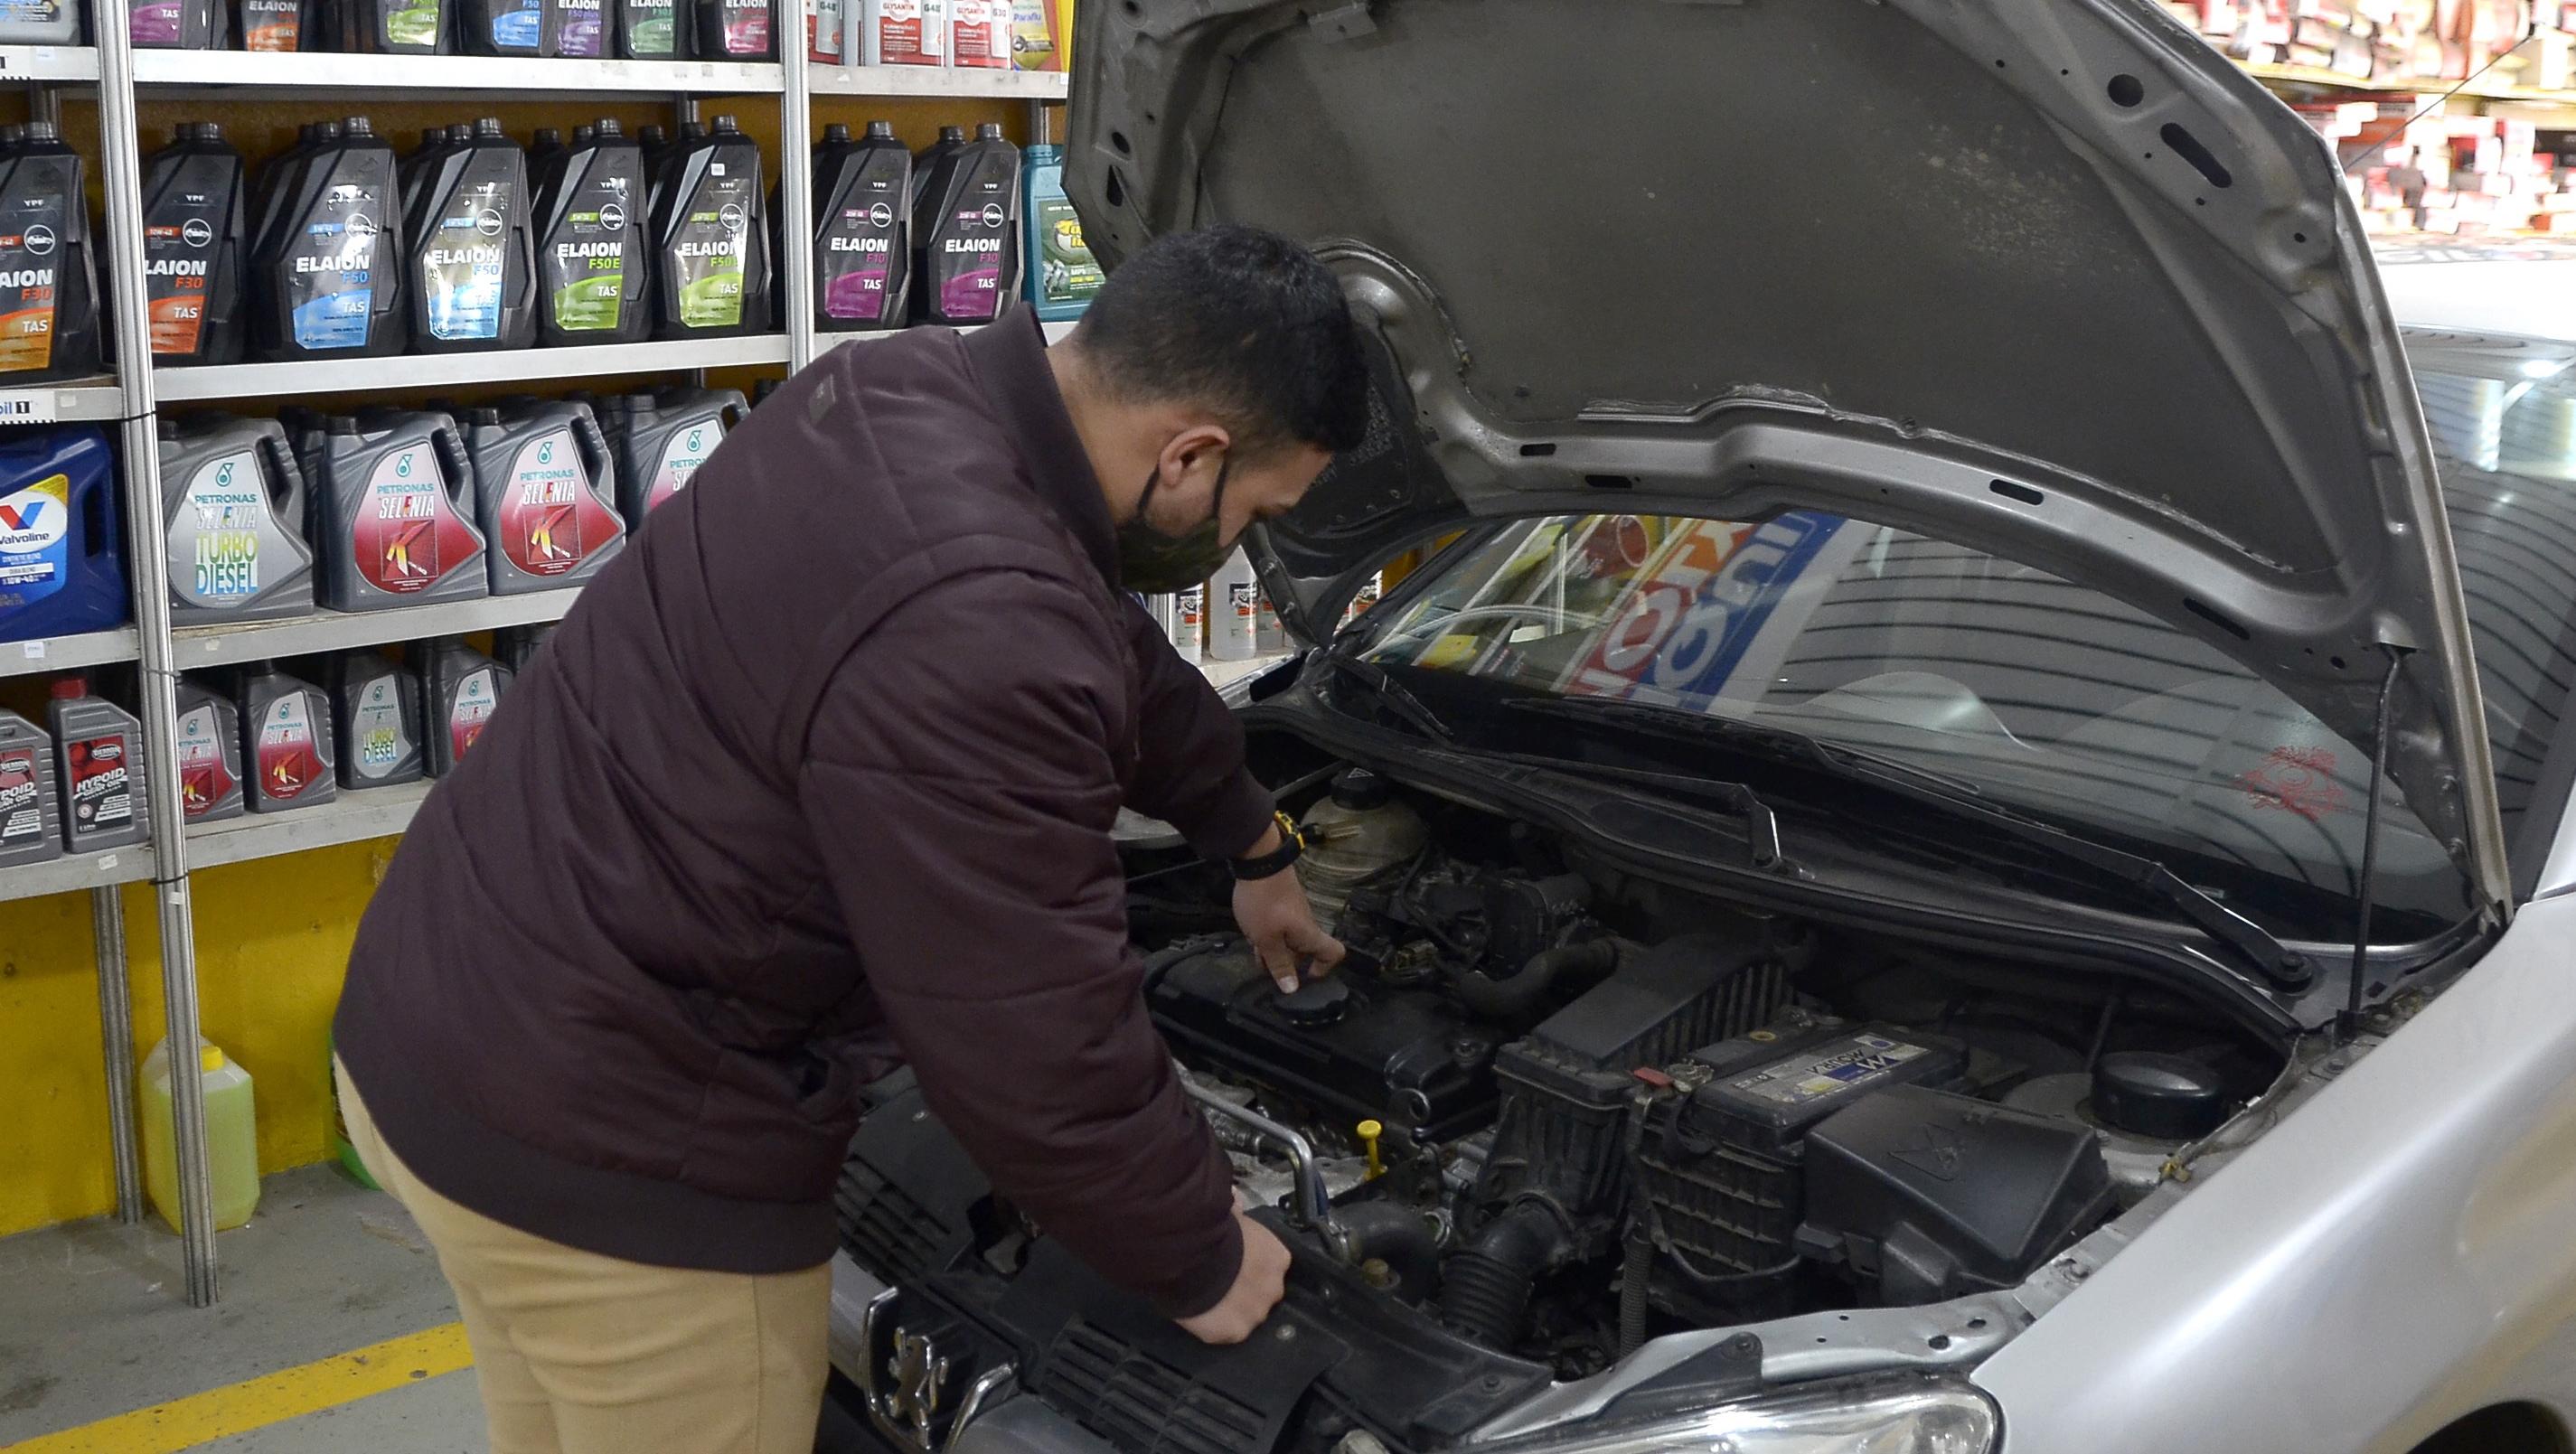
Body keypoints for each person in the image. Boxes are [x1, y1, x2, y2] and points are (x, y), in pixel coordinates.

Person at [330, 223, 1371, 1454]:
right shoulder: (985, 624)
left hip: (445, 1023)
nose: (1240, 539)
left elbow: (1107, 648)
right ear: (1191, 455)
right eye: (1259, 506)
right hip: (619, 1163)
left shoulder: (897, 386)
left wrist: (1247, 834)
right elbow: (1029, 1031)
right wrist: (1198, 1249)